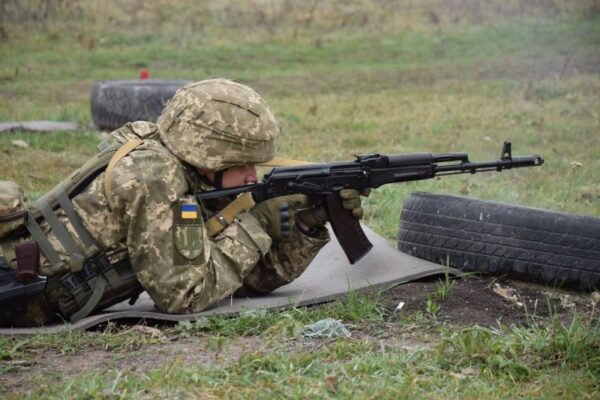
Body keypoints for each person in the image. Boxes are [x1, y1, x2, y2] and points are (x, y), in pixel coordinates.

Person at [0, 78, 366, 327]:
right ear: (209, 156)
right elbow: (186, 295)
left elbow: (239, 282)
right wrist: (256, 225)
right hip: (14, 291)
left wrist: (306, 222)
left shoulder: (184, 170)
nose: (252, 176)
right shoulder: (154, 179)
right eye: (242, 165)